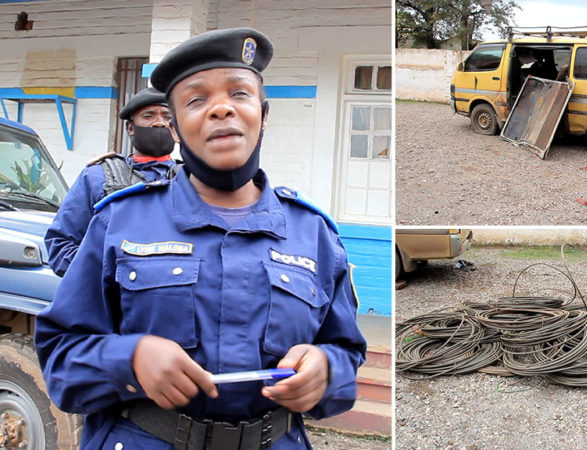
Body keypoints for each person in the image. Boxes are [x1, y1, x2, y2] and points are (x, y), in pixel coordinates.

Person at [35, 27, 366, 449]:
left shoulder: (313, 234)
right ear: (174, 127)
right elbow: (61, 358)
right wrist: (130, 360)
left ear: (263, 115)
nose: (221, 109)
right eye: (196, 99)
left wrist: (326, 368)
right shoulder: (119, 222)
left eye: (239, 94)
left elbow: (346, 351)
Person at [45, 87, 179, 276]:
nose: (159, 123)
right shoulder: (99, 176)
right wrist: (111, 277)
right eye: (148, 116)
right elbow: (61, 245)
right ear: (130, 128)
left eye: (167, 116)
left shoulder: (192, 179)